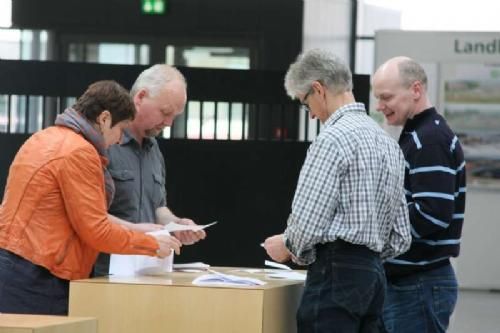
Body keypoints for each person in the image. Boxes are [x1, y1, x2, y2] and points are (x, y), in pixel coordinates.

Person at [0, 80, 182, 315]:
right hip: (41, 276)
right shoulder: (79, 152)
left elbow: (78, 217)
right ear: (104, 119)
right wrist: (151, 244)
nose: (118, 140)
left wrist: (140, 232)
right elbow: (96, 230)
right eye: (120, 130)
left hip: (15, 265)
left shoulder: (44, 137)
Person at [263, 49, 411, 332]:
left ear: (318, 89)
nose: (310, 115)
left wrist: (289, 245)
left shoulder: (332, 139)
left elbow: (307, 224)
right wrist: (366, 257)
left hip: (335, 272)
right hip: (374, 279)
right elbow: (401, 236)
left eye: (305, 103)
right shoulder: (388, 143)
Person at [372, 56, 467, 333]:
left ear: (415, 90)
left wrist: (378, 235)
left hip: (418, 286)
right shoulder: (418, 135)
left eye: (386, 97)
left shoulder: (429, 140)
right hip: (410, 284)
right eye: (378, 98)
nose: (380, 106)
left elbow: (432, 214)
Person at [93, 64, 206, 276]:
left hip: (147, 268)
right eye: (165, 112)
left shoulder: (154, 149)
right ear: (140, 97)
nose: (169, 123)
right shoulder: (104, 143)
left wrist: (176, 225)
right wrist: (137, 231)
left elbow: (158, 207)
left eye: (176, 116)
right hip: (103, 271)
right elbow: (89, 216)